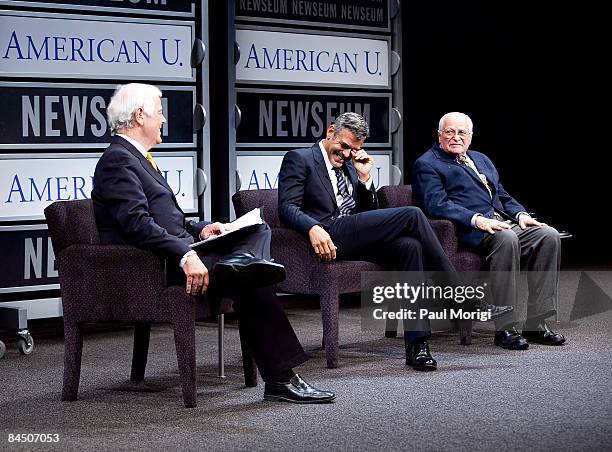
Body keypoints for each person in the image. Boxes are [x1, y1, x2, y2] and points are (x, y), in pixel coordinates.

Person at [91, 83, 335, 404]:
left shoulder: (137, 159)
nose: (164, 120)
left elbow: (169, 221)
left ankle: (245, 268)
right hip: (152, 267)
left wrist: (204, 228)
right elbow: (138, 226)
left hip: (176, 253)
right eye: (160, 112)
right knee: (252, 277)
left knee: (257, 229)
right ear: (140, 116)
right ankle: (281, 378)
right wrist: (184, 255)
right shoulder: (117, 161)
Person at [278, 112, 509, 371]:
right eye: (343, 146)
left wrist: (364, 179)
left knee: (410, 248)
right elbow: (286, 207)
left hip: (352, 235)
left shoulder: (351, 164)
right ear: (330, 132)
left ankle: (417, 346)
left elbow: (366, 213)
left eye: (353, 149)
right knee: (412, 215)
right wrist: (312, 227)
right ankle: (457, 294)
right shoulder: (299, 158)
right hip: (328, 234)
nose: (346, 154)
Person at [412, 112, 566, 350]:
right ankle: (506, 326)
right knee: (506, 238)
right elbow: (436, 204)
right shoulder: (427, 163)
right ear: (439, 135)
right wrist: (477, 220)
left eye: (461, 132)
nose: (455, 137)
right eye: (449, 132)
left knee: (548, 235)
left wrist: (521, 214)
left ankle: (537, 323)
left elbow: (501, 195)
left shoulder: (481, 159)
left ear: (470, 137)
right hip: (467, 231)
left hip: (500, 222)